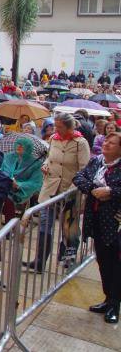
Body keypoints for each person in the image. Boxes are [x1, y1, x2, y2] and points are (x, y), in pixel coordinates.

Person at [24, 112, 90, 272]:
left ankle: (68, 257)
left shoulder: (80, 143)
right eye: (55, 126)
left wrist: (76, 190)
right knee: (45, 224)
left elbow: (85, 168)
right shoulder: (53, 139)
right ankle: (39, 260)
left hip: (70, 189)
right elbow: (50, 158)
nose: (56, 129)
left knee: (69, 226)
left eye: (59, 127)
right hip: (50, 188)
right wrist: (46, 165)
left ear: (69, 127)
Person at [72, 132, 121, 323]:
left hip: (115, 223)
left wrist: (111, 191)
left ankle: (115, 304)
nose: (106, 144)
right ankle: (108, 298)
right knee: (103, 261)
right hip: (97, 221)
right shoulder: (97, 162)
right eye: (106, 141)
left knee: (116, 264)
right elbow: (79, 177)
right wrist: (94, 189)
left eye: (112, 143)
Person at [1, 136, 44, 208]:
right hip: (4, 185)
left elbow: (36, 182)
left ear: (28, 148)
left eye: (22, 145)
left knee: (8, 199)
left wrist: (19, 185)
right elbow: (1, 170)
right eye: (18, 144)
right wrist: (7, 179)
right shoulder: (9, 157)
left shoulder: (36, 163)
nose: (19, 146)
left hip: (21, 191)